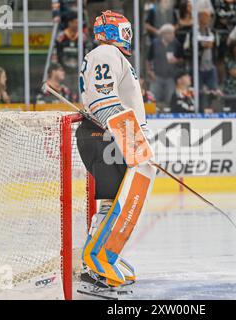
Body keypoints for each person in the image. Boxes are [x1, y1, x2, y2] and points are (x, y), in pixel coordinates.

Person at [76, 10, 156, 297]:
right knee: (117, 202)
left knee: (113, 202)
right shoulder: (106, 53)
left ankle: (102, 256)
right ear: (113, 32)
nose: (128, 35)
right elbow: (104, 102)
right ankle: (95, 266)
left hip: (110, 136)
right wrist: (136, 143)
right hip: (105, 136)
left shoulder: (111, 55)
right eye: (124, 30)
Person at [146, 23, 184, 109]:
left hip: (170, 77)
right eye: (171, 33)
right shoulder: (155, 43)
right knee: (152, 98)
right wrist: (150, 71)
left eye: (173, 33)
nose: (173, 35)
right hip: (156, 76)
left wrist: (176, 60)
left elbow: (182, 59)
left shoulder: (176, 44)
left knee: (170, 99)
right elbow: (148, 59)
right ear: (164, 34)